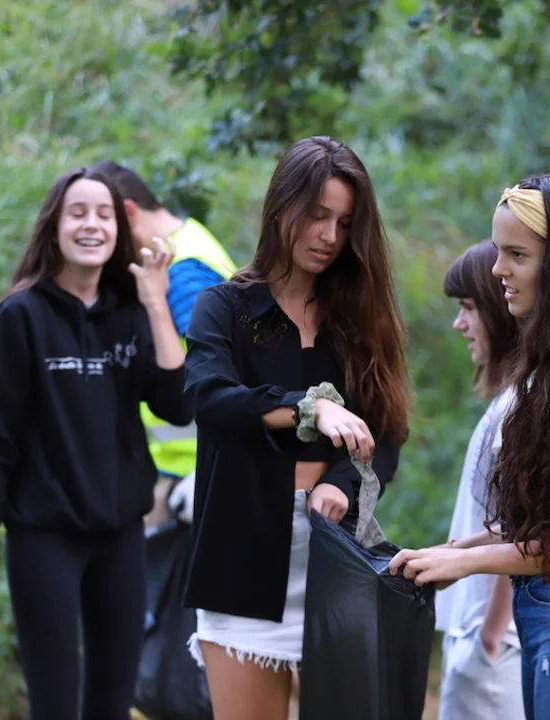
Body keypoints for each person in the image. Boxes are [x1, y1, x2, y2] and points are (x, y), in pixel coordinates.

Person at [391, 170, 550, 719]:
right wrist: (456, 550)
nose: (498, 270)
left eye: (517, 255)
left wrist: (473, 564)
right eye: (499, 252)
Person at [0, 167, 194, 719]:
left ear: (118, 229)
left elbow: (178, 407)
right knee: (54, 706)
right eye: (77, 213)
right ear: (53, 227)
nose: (91, 225)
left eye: (104, 214)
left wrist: (156, 303)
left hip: (121, 536)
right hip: (43, 538)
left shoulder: (131, 314)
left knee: (112, 705)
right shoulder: (19, 318)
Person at [180, 136, 411, 720]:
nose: (329, 236)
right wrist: (311, 408)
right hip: (241, 557)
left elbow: (386, 432)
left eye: (345, 223)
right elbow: (211, 400)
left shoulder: (358, 318)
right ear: (281, 207)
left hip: (337, 558)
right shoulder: (224, 308)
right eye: (317, 215)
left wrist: (342, 483)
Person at [87, 160, 238, 529]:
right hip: (187, 469)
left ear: (128, 213)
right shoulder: (191, 240)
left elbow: (224, 371)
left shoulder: (182, 273)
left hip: (197, 474)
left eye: (105, 221)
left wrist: (215, 468)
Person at [436, 240, 526, 720]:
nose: (460, 323)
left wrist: (491, 634)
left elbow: (525, 526)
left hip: (496, 649)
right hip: (479, 637)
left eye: (469, 308)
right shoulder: (507, 401)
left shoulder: (521, 405)